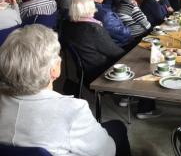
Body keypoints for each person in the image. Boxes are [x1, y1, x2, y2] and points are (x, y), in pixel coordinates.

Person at [0, 24, 131, 156]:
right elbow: (107, 151)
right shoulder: (73, 110)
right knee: (118, 128)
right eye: (58, 56)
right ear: (55, 70)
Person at [62, 0, 125, 84]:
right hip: (100, 72)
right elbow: (116, 53)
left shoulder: (66, 25)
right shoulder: (93, 29)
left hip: (84, 72)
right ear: (90, 7)